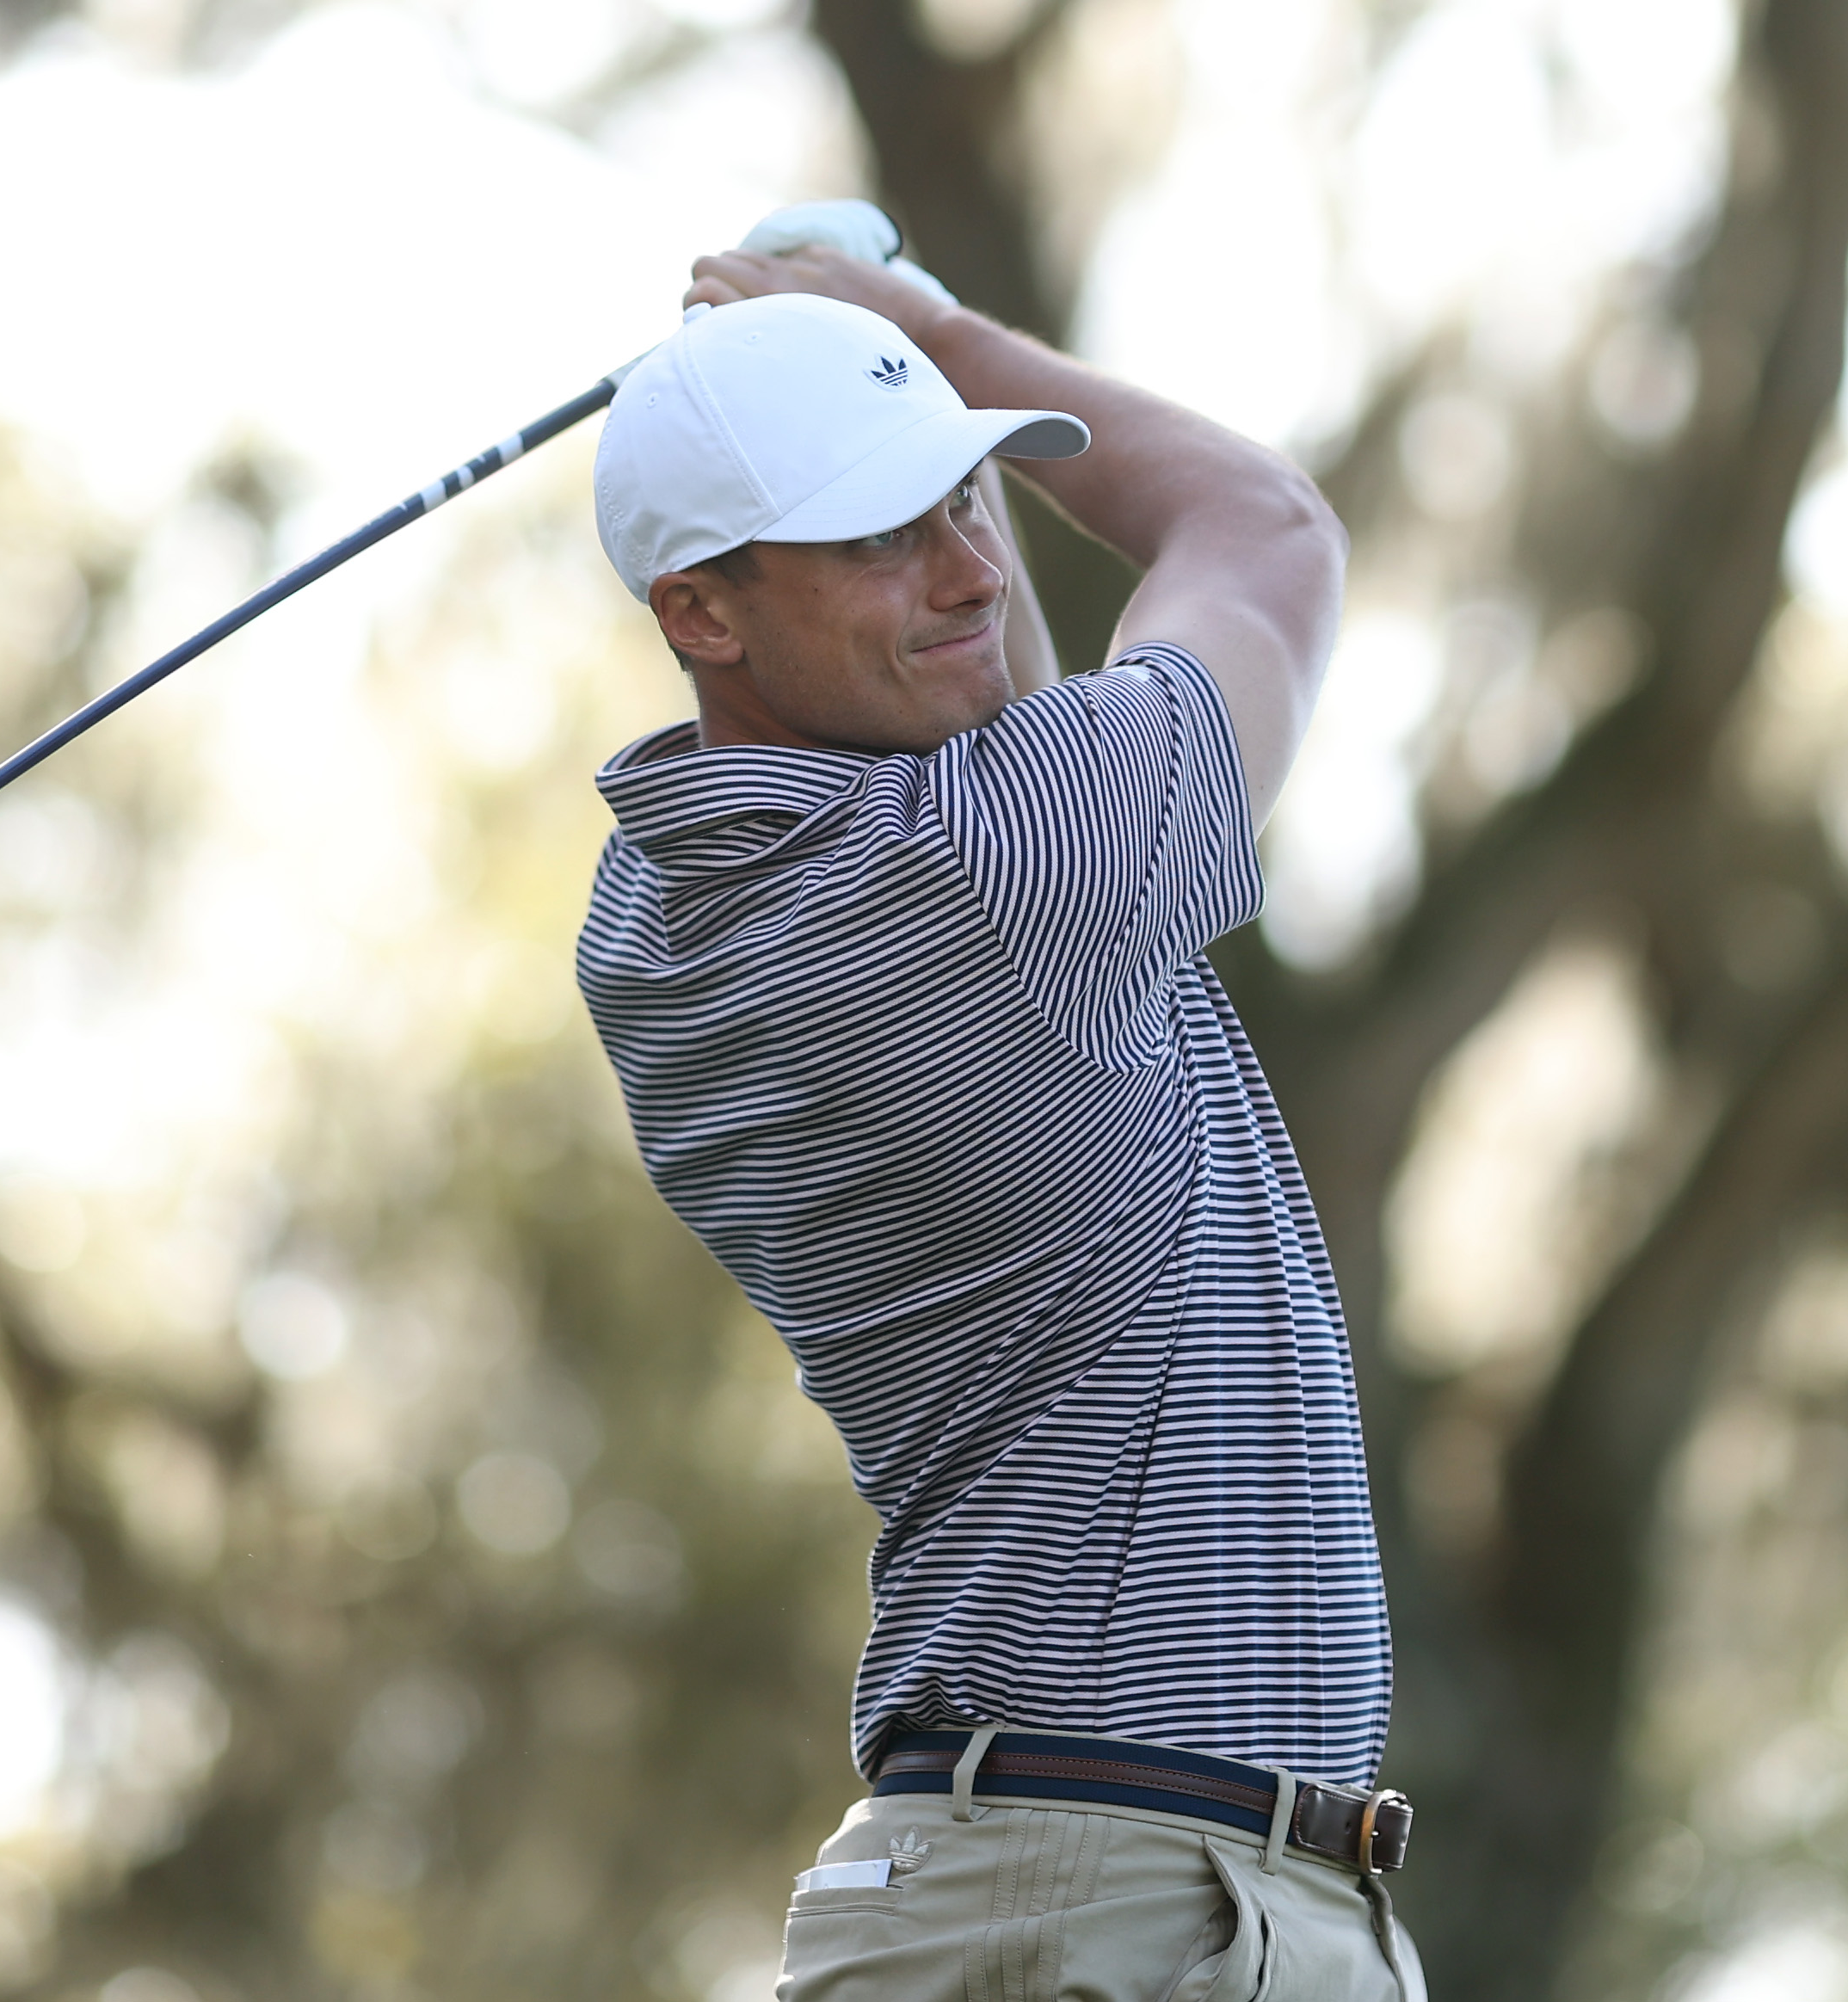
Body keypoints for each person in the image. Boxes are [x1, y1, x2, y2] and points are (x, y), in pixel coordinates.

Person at [575, 203, 1419, 2002]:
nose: (966, 569)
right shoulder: (986, 879)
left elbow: (996, 715)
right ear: (698, 611)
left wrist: (890, 376)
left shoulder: (662, 913)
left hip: (1086, 1894)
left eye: (968, 499)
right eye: (879, 536)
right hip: (1101, 1909)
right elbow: (1263, 528)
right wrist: (938, 332)